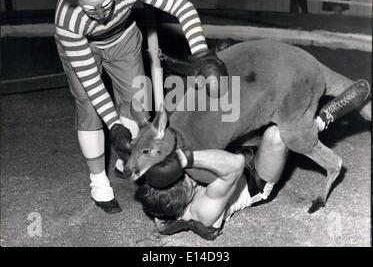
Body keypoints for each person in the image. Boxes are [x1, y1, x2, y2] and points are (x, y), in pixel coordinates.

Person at [54, 0, 227, 214]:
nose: (101, 15)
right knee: (89, 107)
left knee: (135, 100)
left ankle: (129, 160)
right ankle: (98, 182)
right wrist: (114, 126)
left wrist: (203, 55)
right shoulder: (67, 19)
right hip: (84, 45)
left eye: (105, 3)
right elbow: (92, 83)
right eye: (90, 8)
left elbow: (184, 7)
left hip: (123, 37)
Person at [135, 80, 370, 240]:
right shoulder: (203, 212)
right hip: (252, 178)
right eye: (186, 180)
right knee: (278, 135)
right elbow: (235, 166)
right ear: (187, 198)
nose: (185, 176)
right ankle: (323, 118)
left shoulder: (158, 197)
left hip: (229, 156)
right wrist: (184, 159)